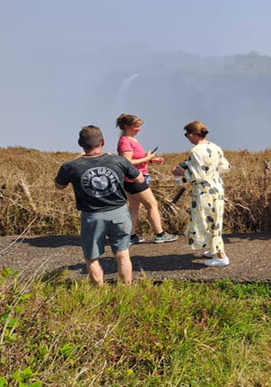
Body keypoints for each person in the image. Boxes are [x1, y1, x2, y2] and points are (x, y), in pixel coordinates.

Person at [55, 125, 144, 286]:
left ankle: (99, 291)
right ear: (102, 142)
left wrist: (76, 159)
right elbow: (140, 179)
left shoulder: (70, 166)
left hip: (92, 216)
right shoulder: (118, 161)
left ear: (80, 143)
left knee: (92, 257)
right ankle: (126, 289)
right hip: (119, 212)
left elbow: (59, 185)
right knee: (123, 254)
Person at [172, 121, 232, 266]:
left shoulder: (196, 151)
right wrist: (211, 170)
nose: (187, 137)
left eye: (187, 134)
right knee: (215, 220)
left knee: (207, 221)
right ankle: (213, 250)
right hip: (217, 187)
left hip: (204, 191)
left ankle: (221, 256)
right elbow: (226, 166)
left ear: (193, 134)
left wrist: (181, 173)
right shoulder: (214, 146)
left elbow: (197, 175)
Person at [115, 114, 178, 245]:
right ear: (127, 126)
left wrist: (151, 160)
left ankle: (130, 236)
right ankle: (160, 234)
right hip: (135, 180)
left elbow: (136, 158)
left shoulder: (131, 139)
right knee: (152, 205)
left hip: (132, 179)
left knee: (134, 207)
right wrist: (147, 158)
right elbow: (127, 162)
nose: (139, 129)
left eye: (139, 126)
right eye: (136, 126)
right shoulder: (125, 141)